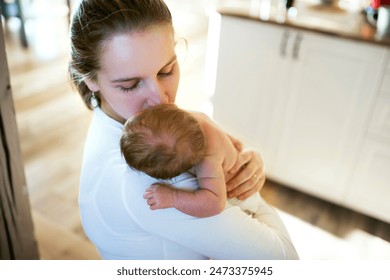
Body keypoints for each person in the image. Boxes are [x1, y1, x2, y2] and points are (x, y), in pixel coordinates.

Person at [69, 0, 299, 259]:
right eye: (131, 84)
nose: (160, 100)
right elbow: (284, 259)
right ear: (89, 79)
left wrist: (246, 158)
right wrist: (252, 196)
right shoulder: (149, 175)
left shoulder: (116, 127)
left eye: (166, 71)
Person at [120, 103, 263, 218]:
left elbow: (214, 203)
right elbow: (236, 144)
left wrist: (173, 197)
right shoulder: (192, 117)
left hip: (242, 197)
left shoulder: (208, 159)